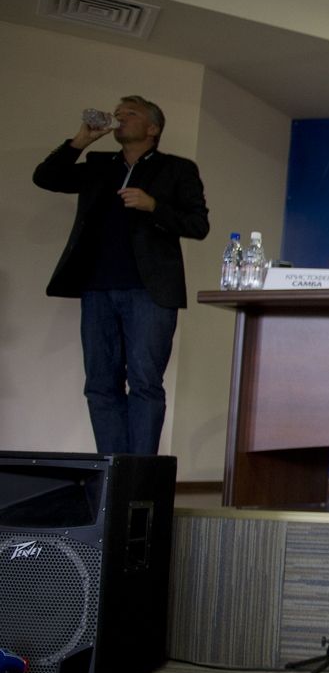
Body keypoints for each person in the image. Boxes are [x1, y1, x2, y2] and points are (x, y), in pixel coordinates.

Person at [32, 96, 210, 456]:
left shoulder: (176, 169)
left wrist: (154, 206)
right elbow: (46, 178)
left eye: (130, 113)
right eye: (118, 113)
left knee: (145, 382)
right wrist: (81, 140)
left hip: (150, 290)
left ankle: (138, 475)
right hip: (97, 288)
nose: (119, 117)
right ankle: (112, 474)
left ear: (153, 128)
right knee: (100, 384)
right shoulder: (99, 165)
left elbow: (198, 224)